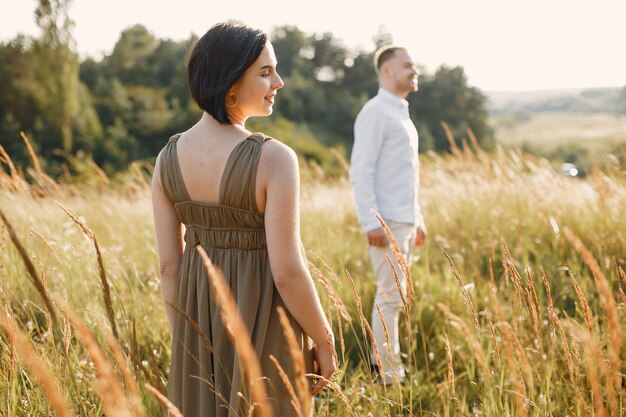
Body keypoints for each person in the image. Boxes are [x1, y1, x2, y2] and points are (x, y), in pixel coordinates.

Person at [152, 21, 336, 416]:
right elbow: (286, 269)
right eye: (266, 71)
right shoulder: (274, 159)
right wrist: (323, 339)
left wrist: (188, 340)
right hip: (266, 334)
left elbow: (170, 268)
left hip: (198, 338)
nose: (279, 82)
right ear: (230, 83)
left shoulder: (166, 160)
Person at [349, 45, 427, 385]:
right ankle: (387, 375)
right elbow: (360, 171)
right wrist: (370, 222)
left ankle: (388, 368)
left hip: (404, 220)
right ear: (386, 71)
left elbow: (405, 173)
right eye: (406, 65)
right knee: (389, 298)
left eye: (413, 65)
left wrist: (418, 218)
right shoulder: (375, 112)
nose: (414, 70)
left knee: (396, 297)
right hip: (386, 223)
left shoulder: (400, 112)